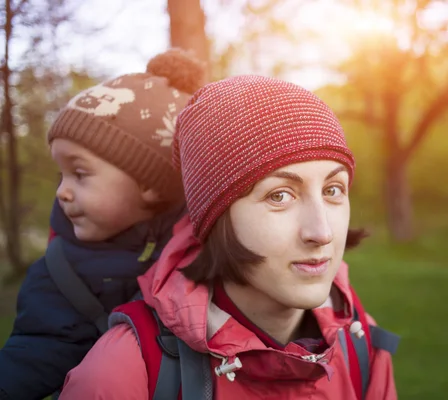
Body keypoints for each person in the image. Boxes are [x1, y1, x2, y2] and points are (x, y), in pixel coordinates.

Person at [59, 75, 398, 399]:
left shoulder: (360, 340)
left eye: (333, 189)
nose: (321, 232)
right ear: (215, 217)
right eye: (279, 195)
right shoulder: (121, 375)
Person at [0, 49, 205, 400]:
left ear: (150, 183)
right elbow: (35, 351)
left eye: (80, 174)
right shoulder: (60, 271)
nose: (62, 192)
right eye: (61, 174)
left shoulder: (203, 248)